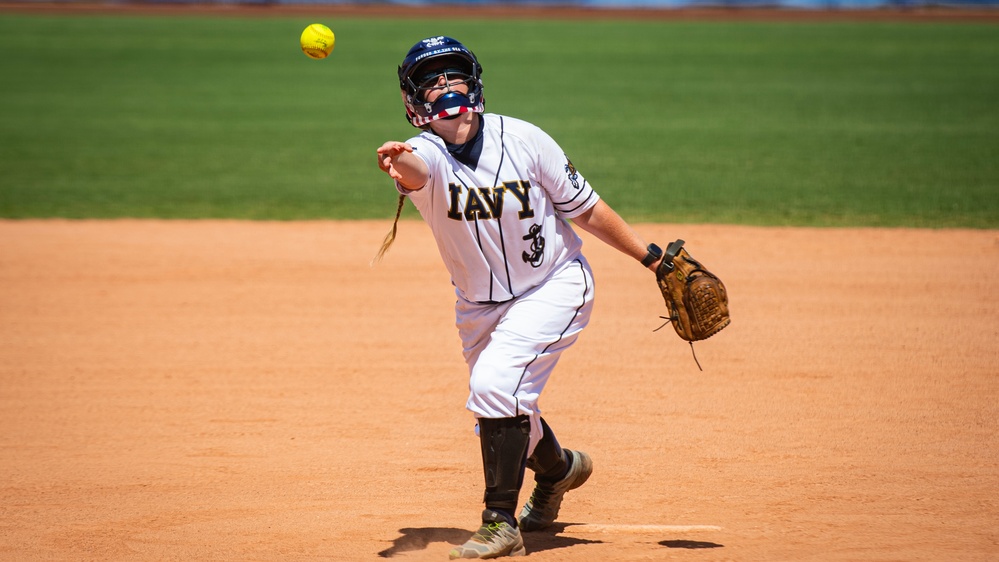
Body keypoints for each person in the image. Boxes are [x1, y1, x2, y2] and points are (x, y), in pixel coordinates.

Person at [375, 36, 668, 559]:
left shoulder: (526, 140)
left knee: (494, 387)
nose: (445, 84)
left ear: (474, 81)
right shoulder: (425, 154)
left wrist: (652, 259)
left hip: (554, 285)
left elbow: (586, 208)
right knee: (507, 414)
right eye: (431, 80)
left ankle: (500, 523)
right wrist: (398, 161)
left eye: (453, 73)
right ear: (413, 99)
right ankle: (560, 471)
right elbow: (416, 172)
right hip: (477, 307)